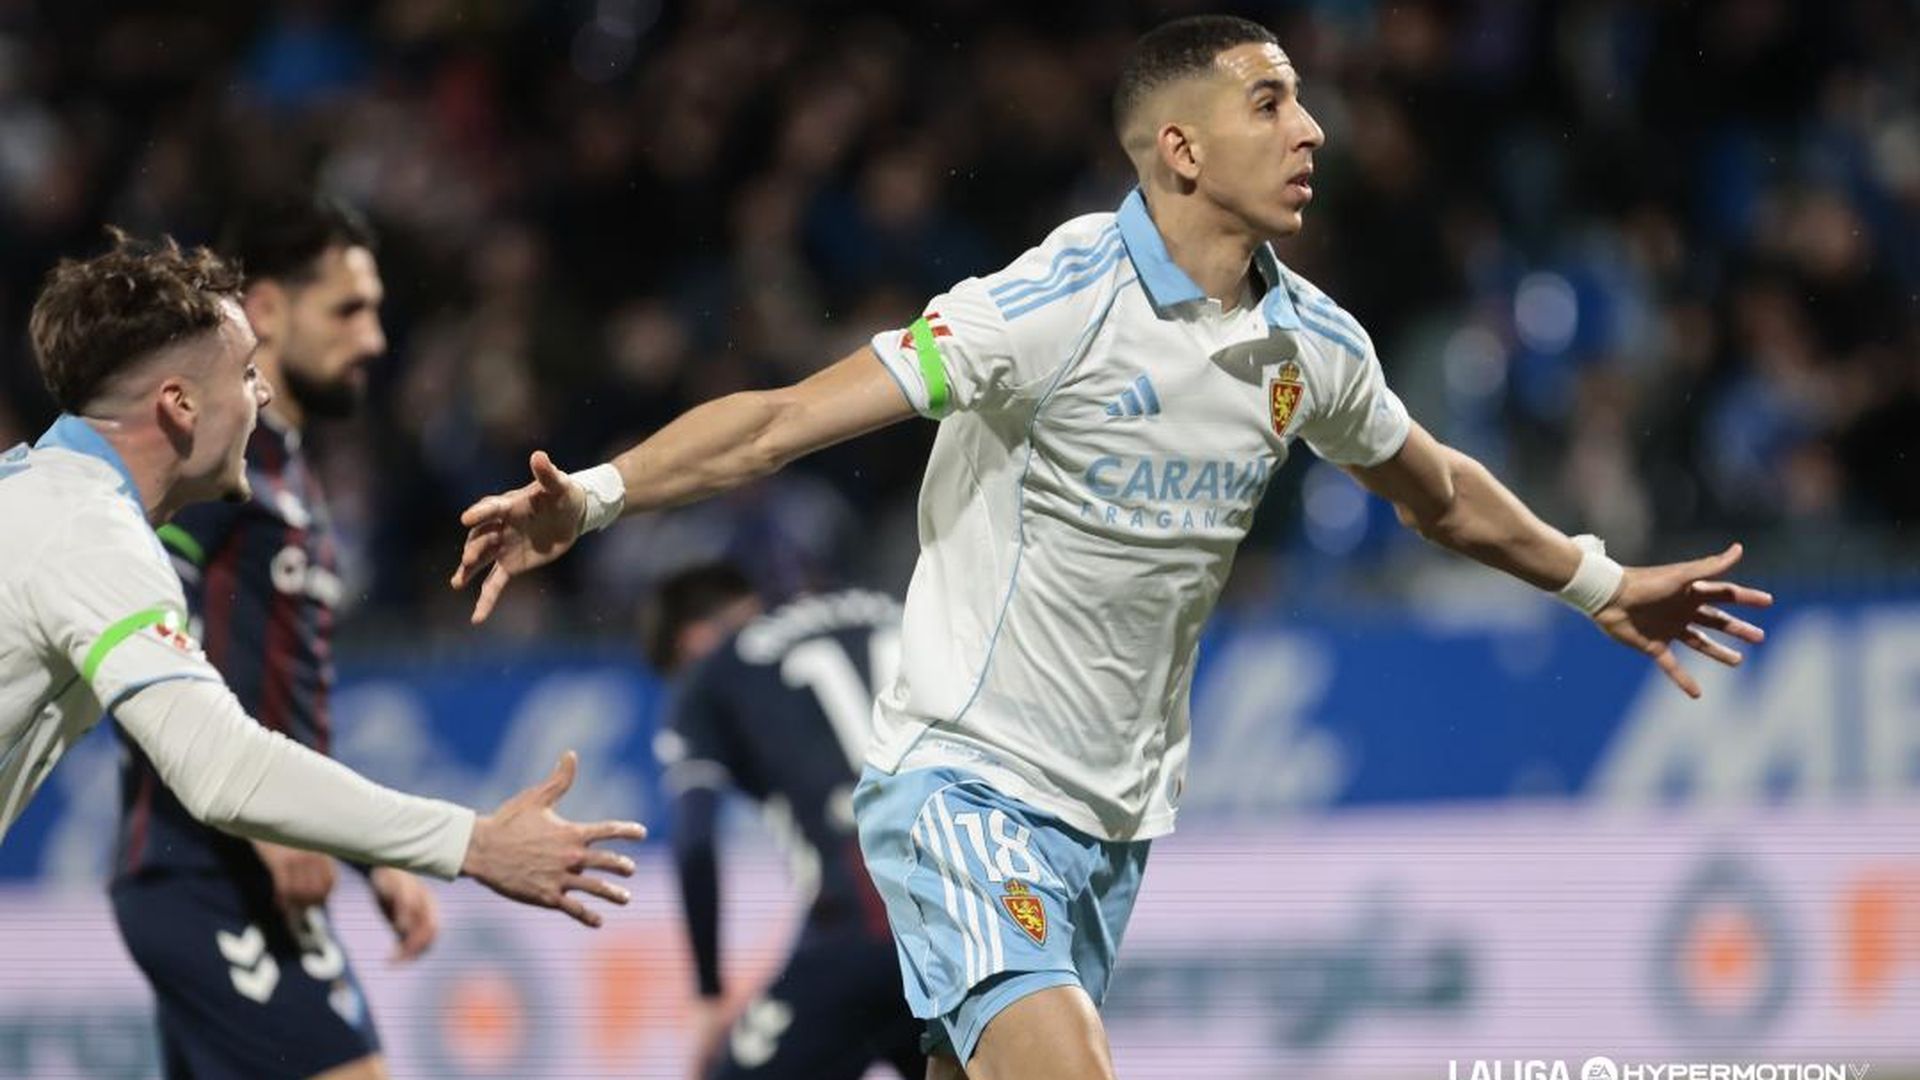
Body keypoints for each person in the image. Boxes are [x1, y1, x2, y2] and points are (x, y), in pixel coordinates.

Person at [450, 15, 1772, 1080]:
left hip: (1110, 828)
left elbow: (1435, 490)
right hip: (963, 790)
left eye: (1304, 99)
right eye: (1271, 101)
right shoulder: (1050, 306)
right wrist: (602, 496)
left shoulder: (1310, 343)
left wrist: (1600, 580)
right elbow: (790, 418)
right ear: (1180, 150)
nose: (1311, 126)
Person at [1, 232, 645, 943]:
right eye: (246, 373)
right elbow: (221, 769)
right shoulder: (91, 532)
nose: (264, 392)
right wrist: (474, 842)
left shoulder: (45, 497)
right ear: (179, 403)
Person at [106, 194, 422, 1080]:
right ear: (271, 309)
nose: (374, 339)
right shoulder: (209, 462)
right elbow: (143, 626)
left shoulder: (287, 472)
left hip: (249, 870)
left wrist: (369, 855)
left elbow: (276, 702)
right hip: (199, 869)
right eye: (349, 309)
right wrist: (272, 828)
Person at [646, 564, 925, 1080]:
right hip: (966, 927)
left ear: (691, 641)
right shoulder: (892, 608)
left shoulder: (713, 669)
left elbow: (695, 844)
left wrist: (709, 992)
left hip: (860, 934)